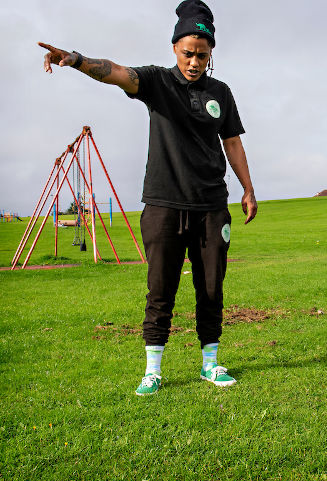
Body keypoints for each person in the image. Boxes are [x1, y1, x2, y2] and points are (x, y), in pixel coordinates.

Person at [39, 0, 257, 396]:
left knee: (211, 287)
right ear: (175, 48)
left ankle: (210, 364)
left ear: (211, 54)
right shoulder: (157, 82)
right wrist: (75, 59)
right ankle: (153, 370)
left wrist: (248, 187)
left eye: (202, 55)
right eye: (188, 53)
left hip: (211, 206)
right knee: (161, 288)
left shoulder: (220, 93)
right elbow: (116, 72)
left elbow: (232, 141)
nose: (194, 61)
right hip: (163, 205)